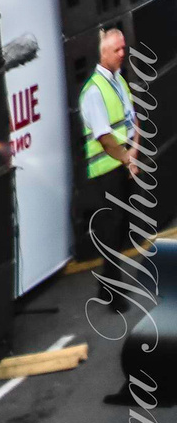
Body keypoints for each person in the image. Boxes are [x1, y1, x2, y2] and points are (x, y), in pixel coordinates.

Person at [83, 24, 144, 311]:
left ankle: (108, 285)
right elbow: (105, 138)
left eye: (124, 48)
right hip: (105, 172)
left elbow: (133, 119)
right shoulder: (94, 92)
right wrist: (127, 158)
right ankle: (114, 297)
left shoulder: (119, 81)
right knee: (111, 229)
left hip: (121, 166)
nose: (123, 53)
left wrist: (135, 149)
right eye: (117, 49)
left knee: (119, 229)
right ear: (103, 52)